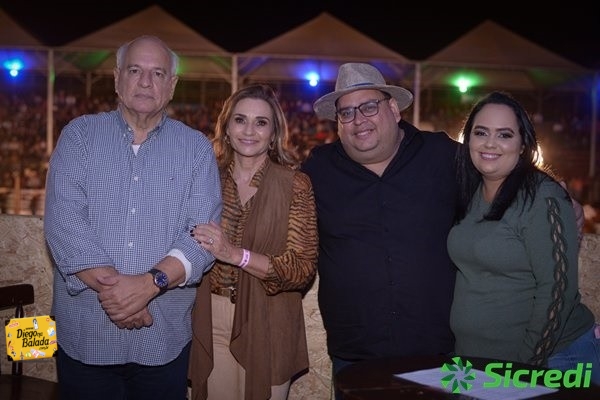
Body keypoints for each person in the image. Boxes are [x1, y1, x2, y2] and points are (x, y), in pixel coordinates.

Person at [43, 35, 222, 400]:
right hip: (86, 335)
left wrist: (147, 286)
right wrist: (125, 297)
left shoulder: (197, 149)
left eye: (158, 73)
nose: (145, 81)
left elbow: (202, 236)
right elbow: (64, 224)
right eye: (135, 70)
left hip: (163, 339)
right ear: (117, 78)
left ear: (171, 85)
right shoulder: (79, 136)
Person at [301, 63, 460, 397]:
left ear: (393, 109)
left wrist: (553, 192)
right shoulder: (318, 169)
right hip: (356, 354)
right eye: (346, 113)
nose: (358, 119)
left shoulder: (441, 155)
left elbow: (501, 175)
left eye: (369, 107)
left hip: (436, 350)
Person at [448, 90, 600, 384]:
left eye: (504, 135)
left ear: (523, 145)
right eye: (481, 132)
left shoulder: (542, 197)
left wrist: (526, 367)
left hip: (551, 361)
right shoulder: (469, 191)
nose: (490, 143)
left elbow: (557, 292)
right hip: (474, 362)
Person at [188, 84, 318, 400]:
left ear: (274, 134)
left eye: (261, 122)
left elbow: (301, 269)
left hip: (269, 321)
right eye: (240, 120)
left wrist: (235, 255)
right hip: (208, 318)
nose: (249, 130)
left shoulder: (295, 185)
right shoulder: (204, 179)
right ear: (226, 128)